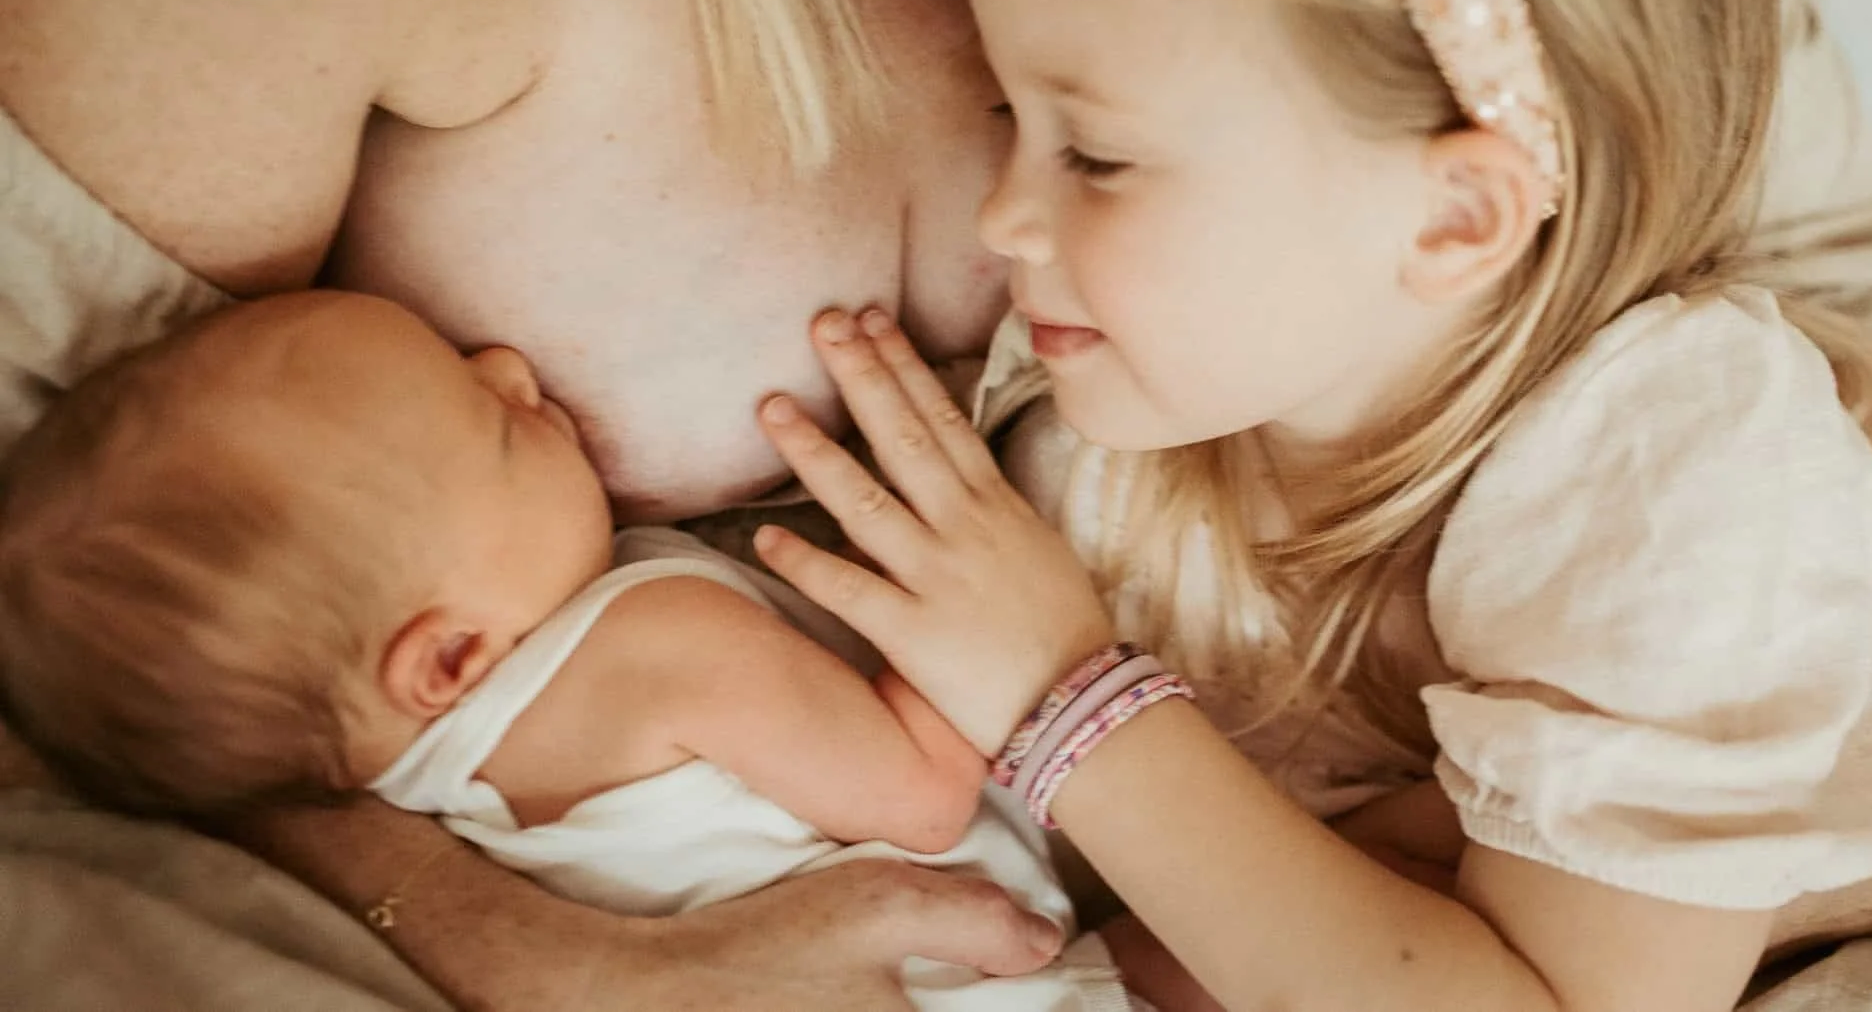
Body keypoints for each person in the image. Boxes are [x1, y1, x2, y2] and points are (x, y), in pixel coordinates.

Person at [0, 0, 1872, 1008]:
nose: (996, 219)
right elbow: (83, 624)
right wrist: (509, 943)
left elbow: (1787, 236)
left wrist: (1831, 766)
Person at [742, 0, 1872, 1007]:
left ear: (1456, 215)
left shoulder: (1671, 494)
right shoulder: (1160, 387)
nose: (1003, 218)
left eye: (1095, 155)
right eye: (1008, 118)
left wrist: (1066, 696)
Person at [0, 290, 1150, 1011]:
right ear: (445, 658)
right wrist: (939, 573)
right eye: (493, 422)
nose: (507, 364)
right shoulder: (648, 646)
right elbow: (925, 799)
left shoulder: (405, 773)